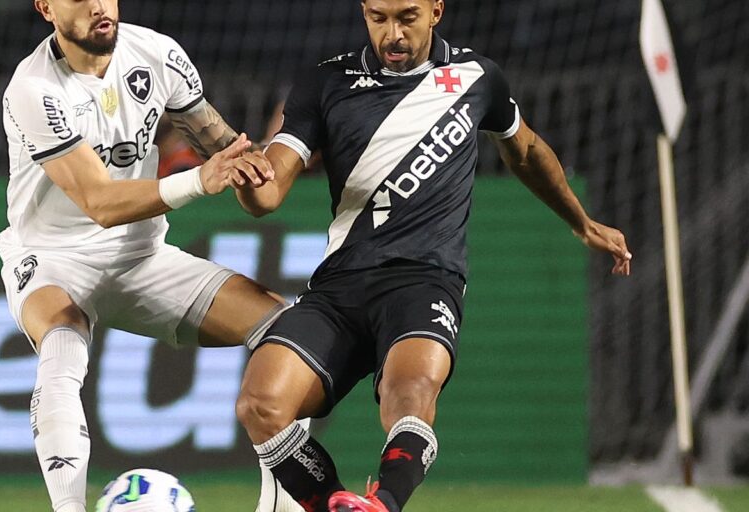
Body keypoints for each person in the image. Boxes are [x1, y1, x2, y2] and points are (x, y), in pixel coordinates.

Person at [228, 1, 633, 511]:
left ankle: (386, 504)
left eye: (407, 17)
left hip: (424, 281)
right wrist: (250, 182)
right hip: (340, 286)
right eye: (378, 17)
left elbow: (525, 150)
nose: (392, 33)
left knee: (411, 389)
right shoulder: (326, 82)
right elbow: (268, 193)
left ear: (436, 9)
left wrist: (581, 221)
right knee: (259, 404)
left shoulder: (477, 77)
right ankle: (335, 504)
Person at [0, 2, 303, 511]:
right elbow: (99, 202)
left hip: (142, 256)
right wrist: (200, 181)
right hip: (53, 258)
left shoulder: (157, 55)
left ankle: (281, 507)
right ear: (46, 7)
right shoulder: (34, 88)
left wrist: (259, 171)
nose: (99, 6)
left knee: (293, 335)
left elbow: (226, 148)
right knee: (61, 345)